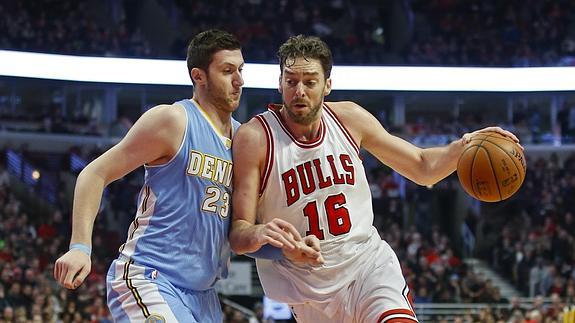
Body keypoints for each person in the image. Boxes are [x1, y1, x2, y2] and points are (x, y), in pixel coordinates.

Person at [229, 35, 521, 322]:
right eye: (291, 81)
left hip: (367, 267)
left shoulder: (349, 119)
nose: (299, 91)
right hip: (307, 292)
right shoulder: (255, 137)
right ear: (279, 83)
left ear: (327, 85)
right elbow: (239, 233)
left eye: (310, 81)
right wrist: (265, 237)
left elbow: (421, 167)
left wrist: (465, 146)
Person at [53, 29, 246, 322]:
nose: (239, 80)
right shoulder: (173, 120)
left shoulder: (245, 138)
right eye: (227, 71)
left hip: (205, 295)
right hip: (151, 277)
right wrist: (80, 246)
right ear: (199, 76)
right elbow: (94, 173)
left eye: (241, 70)